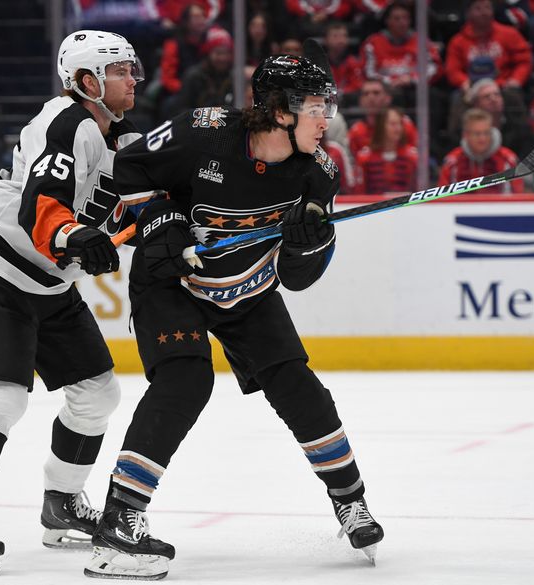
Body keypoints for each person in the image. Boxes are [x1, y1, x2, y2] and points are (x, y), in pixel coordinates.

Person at [86, 51, 384, 580]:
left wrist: (310, 242)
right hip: (173, 281)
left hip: (249, 288)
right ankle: (121, 519)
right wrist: (163, 219)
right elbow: (129, 169)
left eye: (327, 106)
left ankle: (350, 500)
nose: (327, 118)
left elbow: (297, 277)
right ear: (278, 110)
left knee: (297, 384)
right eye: (316, 107)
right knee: (185, 379)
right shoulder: (205, 133)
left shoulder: (318, 172)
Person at [0, 29, 146, 575]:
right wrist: (72, 237)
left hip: (48, 280)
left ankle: (62, 506)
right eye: (120, 71)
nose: (132, 79)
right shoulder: (68, 123)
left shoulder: (112, 134)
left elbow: (126, 211)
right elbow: (41, 207)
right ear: (87, 81)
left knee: (96, 394)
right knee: (1, 397)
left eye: (131, 69)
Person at [439, 108, 524, 194]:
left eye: (486, 133)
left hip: (501, 206)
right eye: (477, 134)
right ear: (466, 135)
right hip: (461, 207)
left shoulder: (508, 159)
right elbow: (442, 198)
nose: (482, 138)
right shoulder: (453, 161)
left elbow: (519, 196)